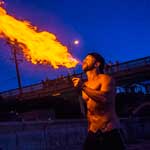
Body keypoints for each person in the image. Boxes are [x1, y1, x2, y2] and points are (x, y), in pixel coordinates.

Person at [72, 52, 126, 150]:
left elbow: (104, 98)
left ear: (97, 64)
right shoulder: (85, 84)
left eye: (88, 59)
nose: (84, 60)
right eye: (84, 59)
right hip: (93, 131)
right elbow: (90, 108)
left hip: (109, 130)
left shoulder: (105, 79)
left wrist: (82, 86)